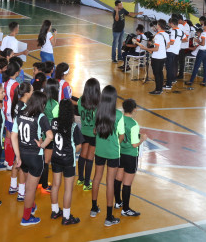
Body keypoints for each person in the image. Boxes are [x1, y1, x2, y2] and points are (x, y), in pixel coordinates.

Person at [11, 91, 53, 226]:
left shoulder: (20, 114)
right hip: (35, 157)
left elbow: (13, 135)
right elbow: (50, 136)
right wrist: (42, 145)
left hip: (22, 155)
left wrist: (18, 155)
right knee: (30, 189)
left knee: (28, 185)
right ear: (42, 104)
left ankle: (32, 206)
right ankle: (26, 218)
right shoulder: (41, 117)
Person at [90, 85, 124, 227]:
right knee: (110, 181)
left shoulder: (97, 111)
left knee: (96, 178)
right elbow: (121, 136)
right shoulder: (119, 115)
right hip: (113, 152)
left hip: (99, 151)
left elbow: (95, 131)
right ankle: (109, 217)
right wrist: (115, 143)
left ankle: (94, 208)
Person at [50, 98, 82, 225]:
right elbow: (79, 145)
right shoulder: (73, 126)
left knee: (55, 185)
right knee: (68, 189)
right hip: (68, 160)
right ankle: (67, 217)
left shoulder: (54, 122)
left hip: (56, 157)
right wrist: (71, 153)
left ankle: (55, 211)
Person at [114, 98, 146, 218]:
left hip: (120, 153)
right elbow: (134, 144)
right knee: (127, 183)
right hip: (130, 155)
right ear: (134, 109)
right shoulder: (134, 124)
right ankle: (126, 209)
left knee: (118, 178)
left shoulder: (119, 119)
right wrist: (142, 139)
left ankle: (118, 202)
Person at [136, 19, 169, 95]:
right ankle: (160, 89)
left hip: (157, 57)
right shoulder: (166, 34)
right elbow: (168, 46)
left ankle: (157, 90)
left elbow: (156, 49)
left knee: (157, 74)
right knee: (160, 73)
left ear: (159, 26)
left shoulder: (158, 36)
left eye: (157, 24)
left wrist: (146, 48)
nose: (156, 26)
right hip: (163, 56)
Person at [185, 21, 206, 87]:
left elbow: (203, 44)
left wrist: (197, 41)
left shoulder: (203, 33)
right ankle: (204, 81)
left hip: (202, 51)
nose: (202, 26)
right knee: (205, 66)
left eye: (203, 25)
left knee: (196, 66)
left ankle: (191, 81)